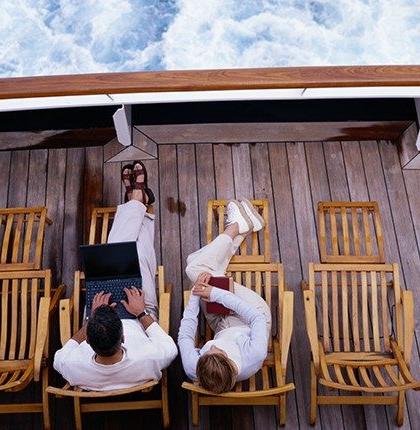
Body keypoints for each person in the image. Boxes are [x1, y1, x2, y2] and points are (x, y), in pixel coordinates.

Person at [54, 161, 177, 391]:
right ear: (123, 340)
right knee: (137, 257)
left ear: (88, 341)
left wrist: (92, 318)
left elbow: (60, 356)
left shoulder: (70, 366)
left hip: (97, 315)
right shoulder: (148, 360)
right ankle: (138, 201)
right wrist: (140, 312)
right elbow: (170, 347)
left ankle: (138, 202)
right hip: (140, 312)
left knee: (122, 253)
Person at [178, 199, 272, 394]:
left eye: (208, 348)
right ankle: (238, 226)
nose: (213, 345)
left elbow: (186, 333)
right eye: (218, 349)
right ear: (230, 361)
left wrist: (197, 293)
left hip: (221, 324)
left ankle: (242, 226)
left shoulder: (193, 367)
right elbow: (256, 317)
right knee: (195, 268)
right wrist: (214, 292)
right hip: (252, 315)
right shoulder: (254, 355)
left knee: (196, 265)